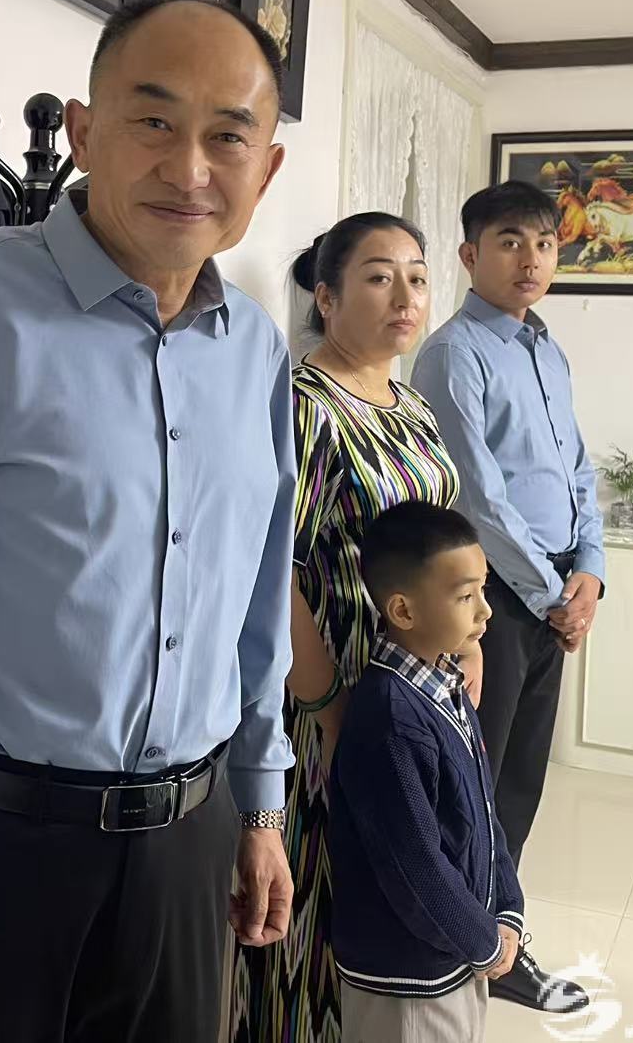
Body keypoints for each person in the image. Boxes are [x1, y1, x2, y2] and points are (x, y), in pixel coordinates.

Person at [0, 0, 298, 1043]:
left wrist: (261, 806)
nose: (189, 169)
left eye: (227, 137)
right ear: (82, 131)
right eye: (153, 120)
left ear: (266, 169)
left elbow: (255, 606)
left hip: (191, 846)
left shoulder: (256, 352)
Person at [232, 212, 467, 1043]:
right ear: (326, 298)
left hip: (411, 698)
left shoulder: (412, 407)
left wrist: (465, 646)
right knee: (319, 902)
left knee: (393, 882)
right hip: (330, 698)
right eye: (378, 276)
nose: (405, 295)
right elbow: (272, 573)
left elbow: (439, 545)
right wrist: (329, 705)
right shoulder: (306, 406)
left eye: (417, 276)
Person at [411, 180, 602, 1016]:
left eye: (545, 243)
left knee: (519, 779)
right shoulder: (454, 353)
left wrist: (590, 571)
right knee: (473, 782)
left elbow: (579, 470)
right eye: (511, 241)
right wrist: (554, 593)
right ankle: (458, 941)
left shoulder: (547, 351)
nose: (531, 259)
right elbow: (478, 496)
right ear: (469, 254)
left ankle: (500, 940)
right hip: (492, 599)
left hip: (553, 592)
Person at [329, 501, 521, 1043]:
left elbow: (483, 814)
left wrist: (507, 909)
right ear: (403, 610)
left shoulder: (447, 687)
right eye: (465, 596)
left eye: (483, 590)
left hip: (457, 953)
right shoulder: (390, 719)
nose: (486, 612)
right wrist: (483, 942)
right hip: (408, 979)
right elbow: (415, 866)